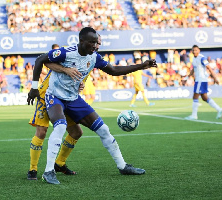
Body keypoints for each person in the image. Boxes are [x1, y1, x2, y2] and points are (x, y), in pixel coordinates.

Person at [27, 27, 157, 184]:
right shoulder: (66, 52)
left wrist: (141, 66)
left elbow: (114, 70)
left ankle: (123, 166)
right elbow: (41, 59)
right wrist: (34, 88)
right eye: (92, 42)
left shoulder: (94, 57)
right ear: (82, 41)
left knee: (103, 129)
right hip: (54, 96)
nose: (96, 46)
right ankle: (48, 172)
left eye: (97, 43)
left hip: (73, 99)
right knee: (60, 127)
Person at [26, 43, 87, 180]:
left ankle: (59, 164)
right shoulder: (67, 52)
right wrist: (65, 69)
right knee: (41, 132)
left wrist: (80, 84)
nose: (95, 47)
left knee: (76, 132)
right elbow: (45, 61)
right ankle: (33, 169)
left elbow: (77, 78)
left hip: (64, 98)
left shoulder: (88, 60)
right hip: (45, 95)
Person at [185, 45, 222, 120]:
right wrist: (188, 75)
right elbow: (194, 68)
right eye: (193, 50)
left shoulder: (202, 58)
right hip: (199, 80)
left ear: (199, 50)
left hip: (201, 80)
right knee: (204, 97)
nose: (194, 51)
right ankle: (219, 109)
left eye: (196, 50)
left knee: (195, 96)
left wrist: (215, 78)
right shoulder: (194, 59)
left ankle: (194, 115)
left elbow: (209, 67)